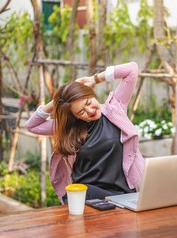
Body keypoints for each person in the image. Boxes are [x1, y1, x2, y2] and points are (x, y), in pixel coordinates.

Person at [25, 62, 145, 204]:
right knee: (82, 191)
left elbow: (132, 69)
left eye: (88, 102)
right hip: (87, 196)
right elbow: (32, 126)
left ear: (91, 94)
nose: (90, 111)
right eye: (81, 111)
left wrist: (95, 79)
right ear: (75, 116)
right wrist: (58, 100)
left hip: (122, 195)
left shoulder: (114, 109)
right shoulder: (70, 128)